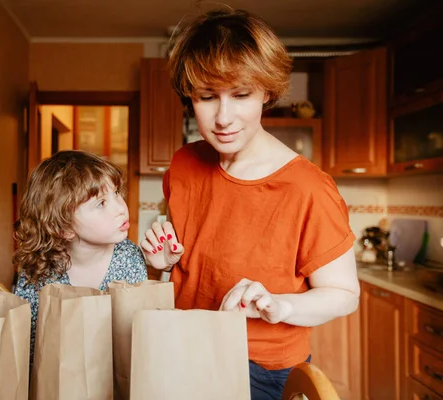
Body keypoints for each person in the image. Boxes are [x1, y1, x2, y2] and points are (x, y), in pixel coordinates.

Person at [140, 8, 360, 400]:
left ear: (267, 92)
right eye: (207, 97)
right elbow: (191, 260)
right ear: (190, 99)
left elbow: (345, 294)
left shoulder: (309, 188)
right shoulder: (183, 164)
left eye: (240, 95)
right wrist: (161, 262)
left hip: (257, 367)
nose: (224, 117)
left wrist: (282, 306)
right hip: (180, 343)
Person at [13, 150, 148, 363]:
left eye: (116, 193)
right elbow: (27, 351)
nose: (121, 208)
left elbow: (136, 339)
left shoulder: (129, 258)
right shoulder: (38, 275)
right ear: (64, 228)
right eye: (101, 203)